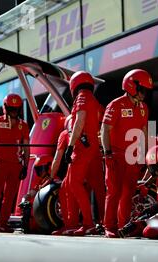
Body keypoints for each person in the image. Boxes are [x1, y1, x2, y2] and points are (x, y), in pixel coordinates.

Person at [101, 69, 152, 238]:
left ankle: (123, 226)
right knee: (113, 191)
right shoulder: (115, 105)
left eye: (146, 91)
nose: (144, 94)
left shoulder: (144, 107)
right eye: (142, 90)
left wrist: (145, 156)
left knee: (128, 192)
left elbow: (144, 132)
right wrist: (107, 153)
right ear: (131, 86)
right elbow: (105, 130)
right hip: (115, 155)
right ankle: (109, 227)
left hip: (133, 156)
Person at [0, 93, 30, 233]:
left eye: (16, 109)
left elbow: (26, 147)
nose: (14, 111)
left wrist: (25, 166)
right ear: (5, 107)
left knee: (10, 196)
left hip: (15, 166)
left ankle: (2, 224)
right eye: (11, 108)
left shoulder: (24, 125)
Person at [64, 71, 101, 236]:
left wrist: (70, 146)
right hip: (94, 146)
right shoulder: (93, 99)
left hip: (83, 147)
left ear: (74, 84)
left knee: (74, 184)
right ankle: (105, 223)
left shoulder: (81, 97)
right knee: (99, 187)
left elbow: (79, 121)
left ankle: (88, 223)